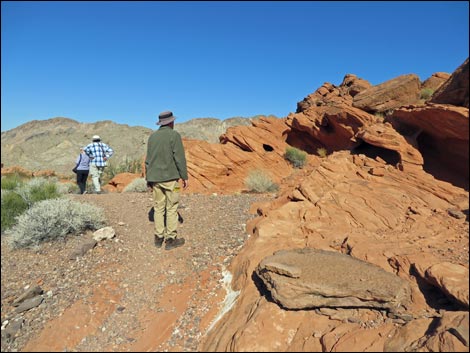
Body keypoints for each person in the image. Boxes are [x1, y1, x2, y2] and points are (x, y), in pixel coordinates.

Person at [145, 111, 189, 250]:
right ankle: (170, 239)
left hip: (155, 179)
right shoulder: (174, 135)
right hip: (171, 180)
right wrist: (184, 176)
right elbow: (179, 157)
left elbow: (148, 160)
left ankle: (158, 238)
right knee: (172, 207)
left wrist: (148, 179)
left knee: (158, 208)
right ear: (171, 122)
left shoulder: (152, 137)